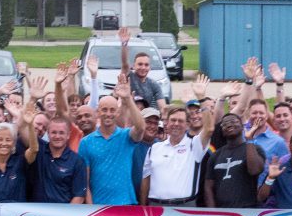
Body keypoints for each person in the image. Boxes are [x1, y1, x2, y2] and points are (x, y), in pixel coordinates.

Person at [77, 76, 146, 206]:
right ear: (98, 113)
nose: (108, 113)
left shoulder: (126, 137)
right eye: (104, 110)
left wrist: (127, 99)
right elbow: (84, 182)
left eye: (112, 110)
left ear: (117, 112)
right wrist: (91, 208)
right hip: (98, 206)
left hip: (126, 204)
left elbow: (141, 127)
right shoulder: (86, 143)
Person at [141, 105, 214, 207]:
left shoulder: (194, 144)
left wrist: (201, 99)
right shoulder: (154, 148)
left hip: (185, 206)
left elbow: (209, 129)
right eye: (173, 120)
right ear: (167, 123)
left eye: (180, 121)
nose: (176, 123)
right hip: (155, 206)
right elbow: (146, 179)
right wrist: (142, 206)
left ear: (187, 125)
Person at [204, 113, 265, 208]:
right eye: (224, 124)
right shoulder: (215, 155)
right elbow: (208, 186)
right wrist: (212, 212)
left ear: (242, 126)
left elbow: (254, 170)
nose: (228, 125)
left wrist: (249, 139)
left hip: (248, 210)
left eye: (233, 121)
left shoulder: (255, 149)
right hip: (221, 212)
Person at [30, 116, 87, 204]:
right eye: (53, 132)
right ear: (48, 134)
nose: (57, 136)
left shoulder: (77, 161)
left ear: (68, 135)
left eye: (61, 133)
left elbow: (79, 196)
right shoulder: (38, 151)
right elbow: (26, 135)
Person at [118, 27, 166, 110]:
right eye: (140, 64)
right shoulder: (129, 77)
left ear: (149, 67)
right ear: (133, 66)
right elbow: (125, 64)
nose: (143, 67)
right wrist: (124, 44)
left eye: (146, 65)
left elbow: (162, 106)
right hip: (127, 115)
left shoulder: (154, 84)